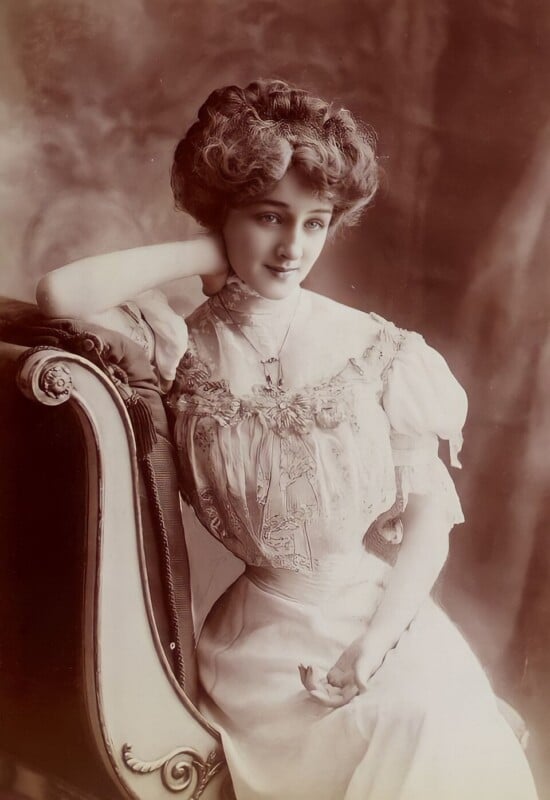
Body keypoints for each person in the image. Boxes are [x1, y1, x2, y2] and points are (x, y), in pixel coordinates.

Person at [36, 79, 538, 800]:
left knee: (423, 721)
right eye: (269, 217)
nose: (293, 247)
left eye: (316, 222)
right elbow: (59, 296)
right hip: (260, 651)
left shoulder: (379, 350)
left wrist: (374, 645)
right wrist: (203, 251)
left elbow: (430, 519)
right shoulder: (177, 345)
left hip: (383, 622)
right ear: (223, 215)